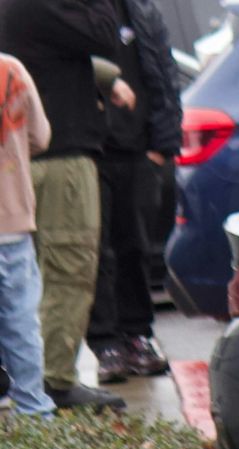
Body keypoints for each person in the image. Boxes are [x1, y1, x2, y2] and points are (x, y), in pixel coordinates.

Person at [0, 0, 129, 412]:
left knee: (31, 285)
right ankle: (52, 381)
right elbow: (104, 33)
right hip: (56, 158)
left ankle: (32, 382)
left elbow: (41, 48)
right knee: (67, 271)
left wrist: (103, 77)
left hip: (29, 160)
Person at [86, 0, 176, 382]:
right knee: (96, 252)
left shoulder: (141, 13)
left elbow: (164, 77)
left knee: (136, 247)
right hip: (89, 151)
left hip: (138, 152)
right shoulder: (75, 13)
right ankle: (106, 344)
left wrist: (161, 147)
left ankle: (138, 335)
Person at [0, 50, 54, 418]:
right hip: (12, 219)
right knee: (20, 321)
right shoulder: (11, 69)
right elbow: (40, 136)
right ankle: (34, 411)